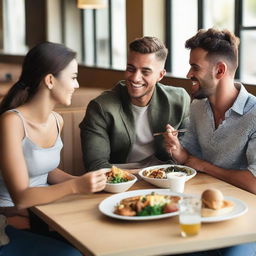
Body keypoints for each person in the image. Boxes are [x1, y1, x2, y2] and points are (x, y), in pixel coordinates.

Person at [0, 42, 107, 255]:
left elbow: (47, 170)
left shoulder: (57, 120)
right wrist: (76, 186)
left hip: (40, 213)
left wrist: (94, 182)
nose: (76, 85)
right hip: (8, 220)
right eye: (73, 77)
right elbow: (21, 198)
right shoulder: (12, 122)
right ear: (50, 80)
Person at [164, 28, 256, 256]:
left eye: (195, 67)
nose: (188, 74)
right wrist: (178, 152)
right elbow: (189, 159)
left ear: (220, 70)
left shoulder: (254, 115)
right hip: (204, 208)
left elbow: (255, 183)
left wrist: (203, 165)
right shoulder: (197, 107)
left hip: (247, 219)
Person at [80, 36, 191, 171]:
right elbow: (96, 166)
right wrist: (145, 174)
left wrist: (176, 148)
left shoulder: (179, 100)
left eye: (145, 72)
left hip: (165, 178)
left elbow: (187, 156)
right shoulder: (101, 107)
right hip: (119, 179)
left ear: (160, 76)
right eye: (131, 69)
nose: (135, 78)